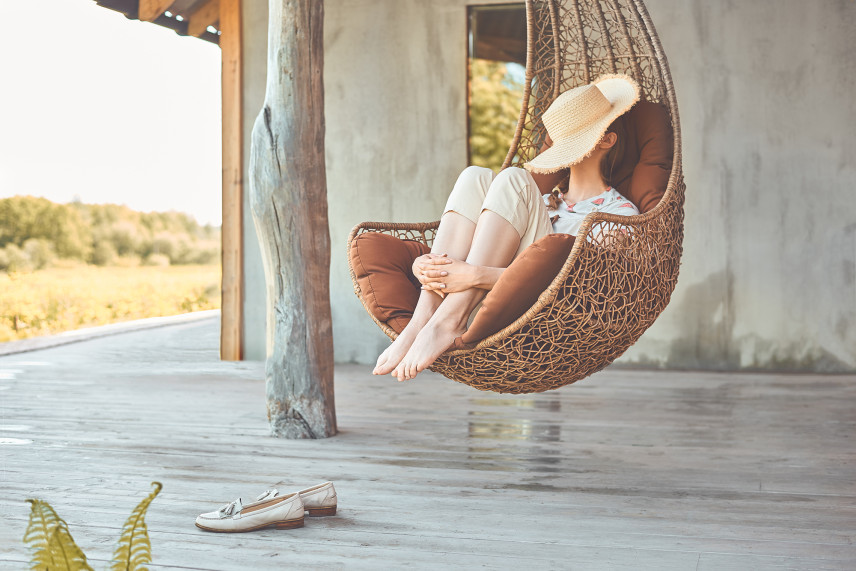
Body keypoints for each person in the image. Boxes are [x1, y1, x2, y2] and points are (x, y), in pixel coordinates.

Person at [373, 74, 641, 382]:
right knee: (475, 176)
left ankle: (447, 321)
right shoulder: (538, 202)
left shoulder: (616, 215)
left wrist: (473, 275)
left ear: (607, 140)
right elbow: (478, 245)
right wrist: (428, 266)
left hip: (532, 316)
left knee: (513, 178)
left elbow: (579, 292)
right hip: (482, 306)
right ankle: (421, 322)